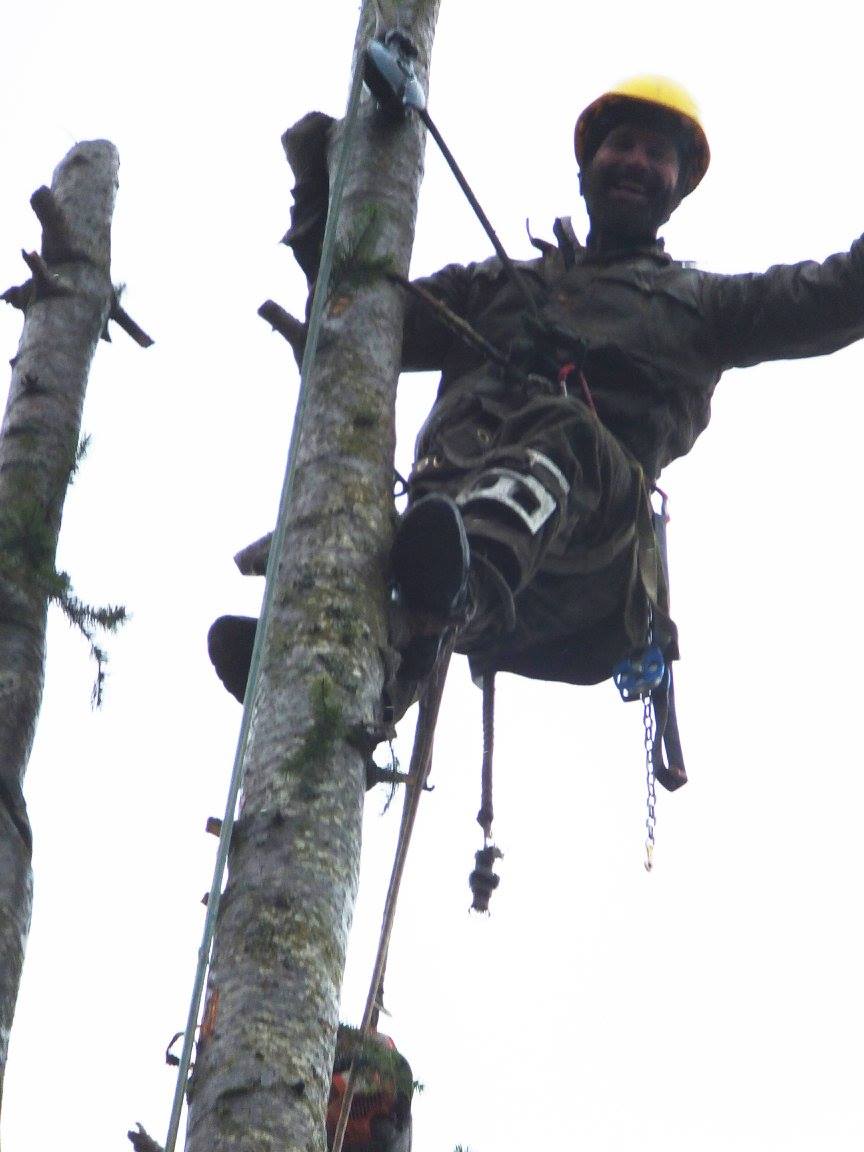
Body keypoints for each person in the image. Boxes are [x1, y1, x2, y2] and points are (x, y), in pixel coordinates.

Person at [209, 76, 864, 782]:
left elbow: (833, 295)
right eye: (622, 146)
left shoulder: (703, 307)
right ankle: (330, 676)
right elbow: (357, 311)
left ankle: (448, 592)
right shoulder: (494, 288)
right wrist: (321, 185)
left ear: (678, 188)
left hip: (587, 565)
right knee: (382, 523)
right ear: (586, 168)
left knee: (561, 434)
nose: (637, 163)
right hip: (450, 524)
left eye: (657, 154)